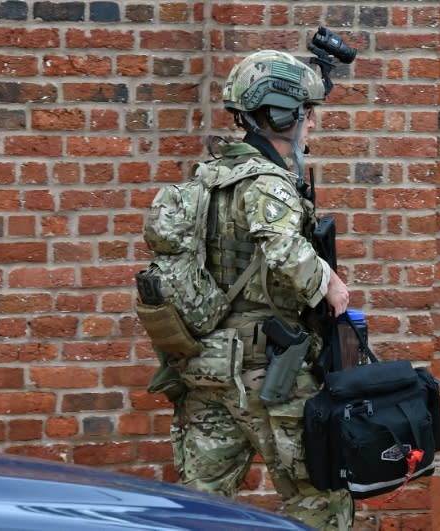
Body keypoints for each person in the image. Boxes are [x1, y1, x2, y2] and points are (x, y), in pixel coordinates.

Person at [168, 50, 353, 529]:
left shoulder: (208, 176)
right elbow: (284, 250)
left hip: (205, 367)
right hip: (271, 373)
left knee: (199, 509)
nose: (311, 124)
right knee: (320, 503)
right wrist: (329, 285)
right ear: (282, 114)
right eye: (306, 114)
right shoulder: (269, 182)